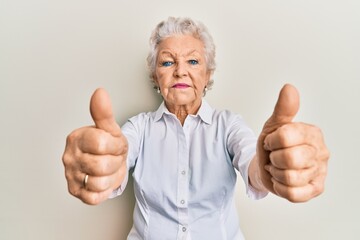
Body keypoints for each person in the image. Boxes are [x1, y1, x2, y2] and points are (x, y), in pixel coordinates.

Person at [62, 17, 329, 239]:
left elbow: (254, 164)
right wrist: (101, 169)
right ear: (155, 75)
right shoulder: (139, 127)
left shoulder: (228, 126)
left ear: (208, 74)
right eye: (167, 62)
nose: (180, 71)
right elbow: (117, 157)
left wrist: (271, 167)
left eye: (193, 61)